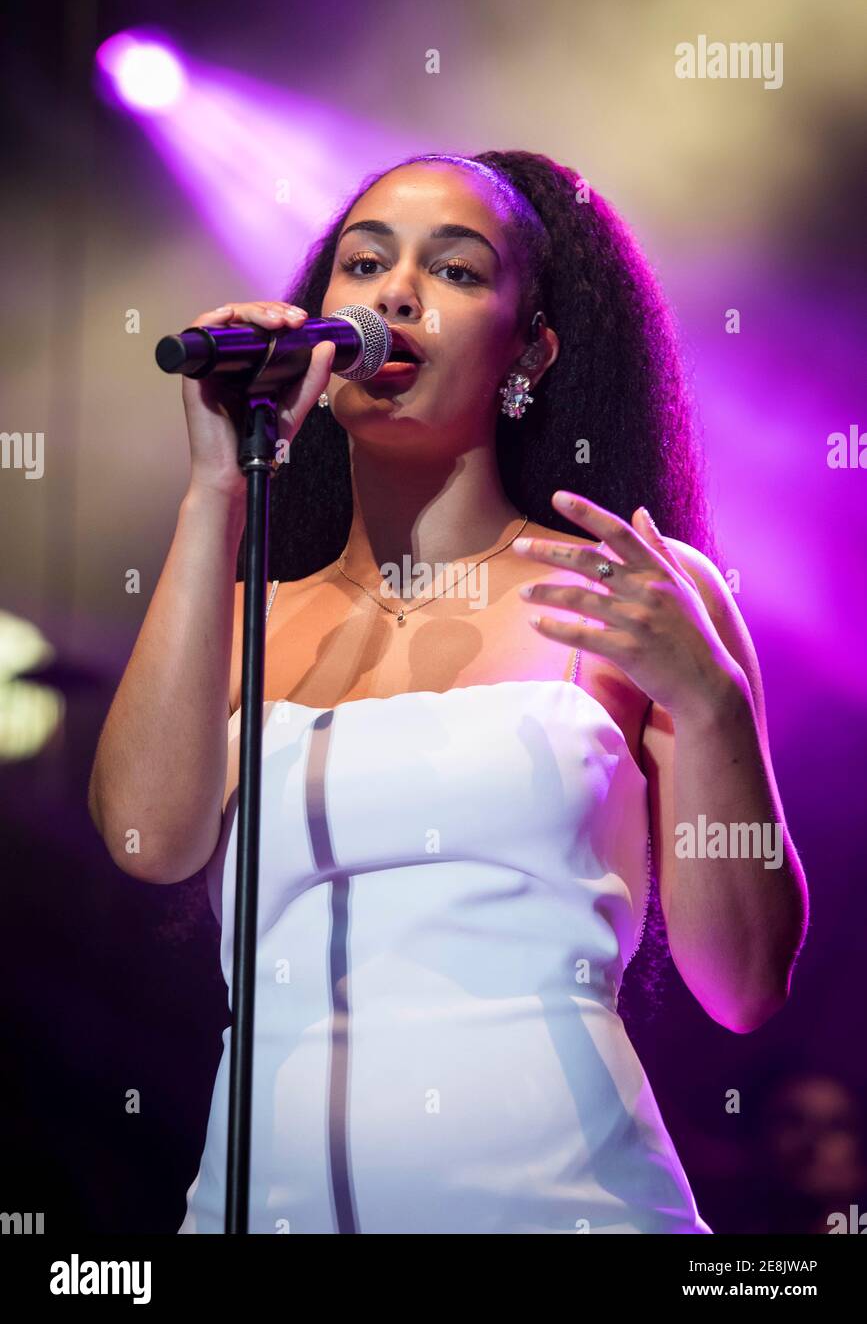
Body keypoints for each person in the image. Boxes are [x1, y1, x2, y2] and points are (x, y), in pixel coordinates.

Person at [88, 149, 808, 1234]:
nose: (395, 292)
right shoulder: (243, 614)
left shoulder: (630, 594)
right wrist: (215, 488)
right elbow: (147, 839)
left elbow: (744, 982)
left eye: (458, 271)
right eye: (363, 262)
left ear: (532, 349)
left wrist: (708, 707)